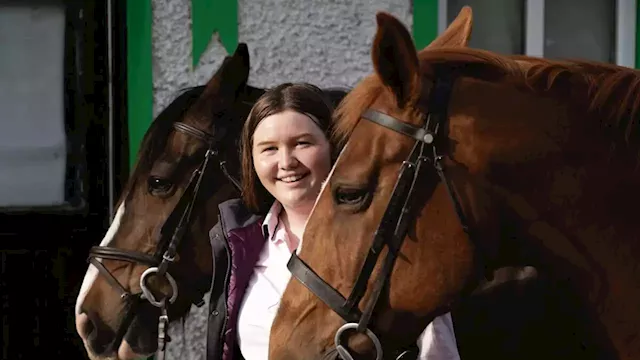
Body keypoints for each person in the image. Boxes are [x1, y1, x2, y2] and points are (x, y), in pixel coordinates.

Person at [206, 83, 460, 360]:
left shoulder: (392, 242)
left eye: (302, 143)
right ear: (251, 159)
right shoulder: (239, 246)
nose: (286, 161)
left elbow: (437, 352)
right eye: (269, 149)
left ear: (334, 146)